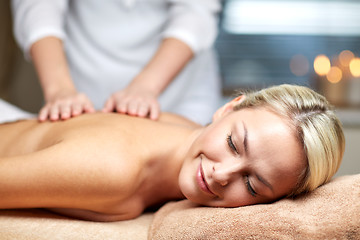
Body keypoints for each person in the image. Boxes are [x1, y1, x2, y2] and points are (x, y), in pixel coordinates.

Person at [0, 84, 345, 221]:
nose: (221, 175)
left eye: (252, 185)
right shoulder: (112, 171)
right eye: (232, 144)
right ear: (228, 108)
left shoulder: (182, 126)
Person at [11, 0, 222, 125]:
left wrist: (146, 87)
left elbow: (196, 12)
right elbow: (38, 7)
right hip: (80, 87)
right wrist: (59, 89)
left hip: (181, 87)